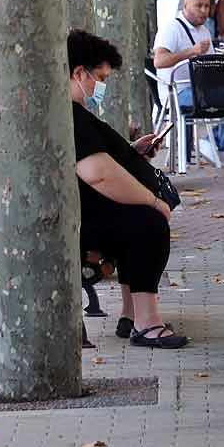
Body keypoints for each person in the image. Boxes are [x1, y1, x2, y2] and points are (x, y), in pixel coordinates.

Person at [68, 29, 188, 348]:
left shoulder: (75, 114)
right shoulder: (71, 116)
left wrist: (132, 152)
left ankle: (132, 315)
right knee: (147, 224)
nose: (101, 86)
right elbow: (98, 174)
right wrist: (152, 200)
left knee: (137, 221)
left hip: (83, 213)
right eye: (100, 77)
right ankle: (147, 324)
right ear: (79, 72)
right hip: (77, 223)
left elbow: (101, 162)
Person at [152, 0, 224, 161]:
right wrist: (191, 52)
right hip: (177, 92)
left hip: (202, 88)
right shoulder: (171, 28)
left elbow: (210, 61)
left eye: (207, 6)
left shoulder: (204, 30)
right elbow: (159, 61)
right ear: (185, 5)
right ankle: (221, 147)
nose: (205, 11)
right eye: (199, 6)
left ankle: (218, 143)